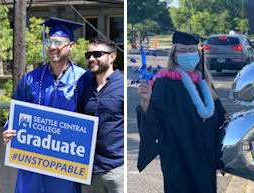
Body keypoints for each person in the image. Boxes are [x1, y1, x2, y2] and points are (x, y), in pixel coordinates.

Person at [2, 17, 92, 193]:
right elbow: (15, 114)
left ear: (71, 46)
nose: (52, 46)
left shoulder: (84, 79)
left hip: (67, 162)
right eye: (49, 41)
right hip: (34, 161)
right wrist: (9, 130)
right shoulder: (30, 79)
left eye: (58, 42)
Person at [136, 31, 226, 193]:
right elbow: (153, 120)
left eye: (192, 50)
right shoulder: (165, 83)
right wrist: (146, 100)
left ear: (199, 54)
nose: (188, 54)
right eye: (182, 51)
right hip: (179, 155)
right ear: (174, 56)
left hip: (205, 154)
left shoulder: (204, 83)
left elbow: (220, 115)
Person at [80, 37, 124, 193]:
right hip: (89, 171)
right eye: (88, 55)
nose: (91, 59)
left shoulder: (122, 86)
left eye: (97, 54)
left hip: (117, 169)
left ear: (112, 57)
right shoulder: (83, 87)